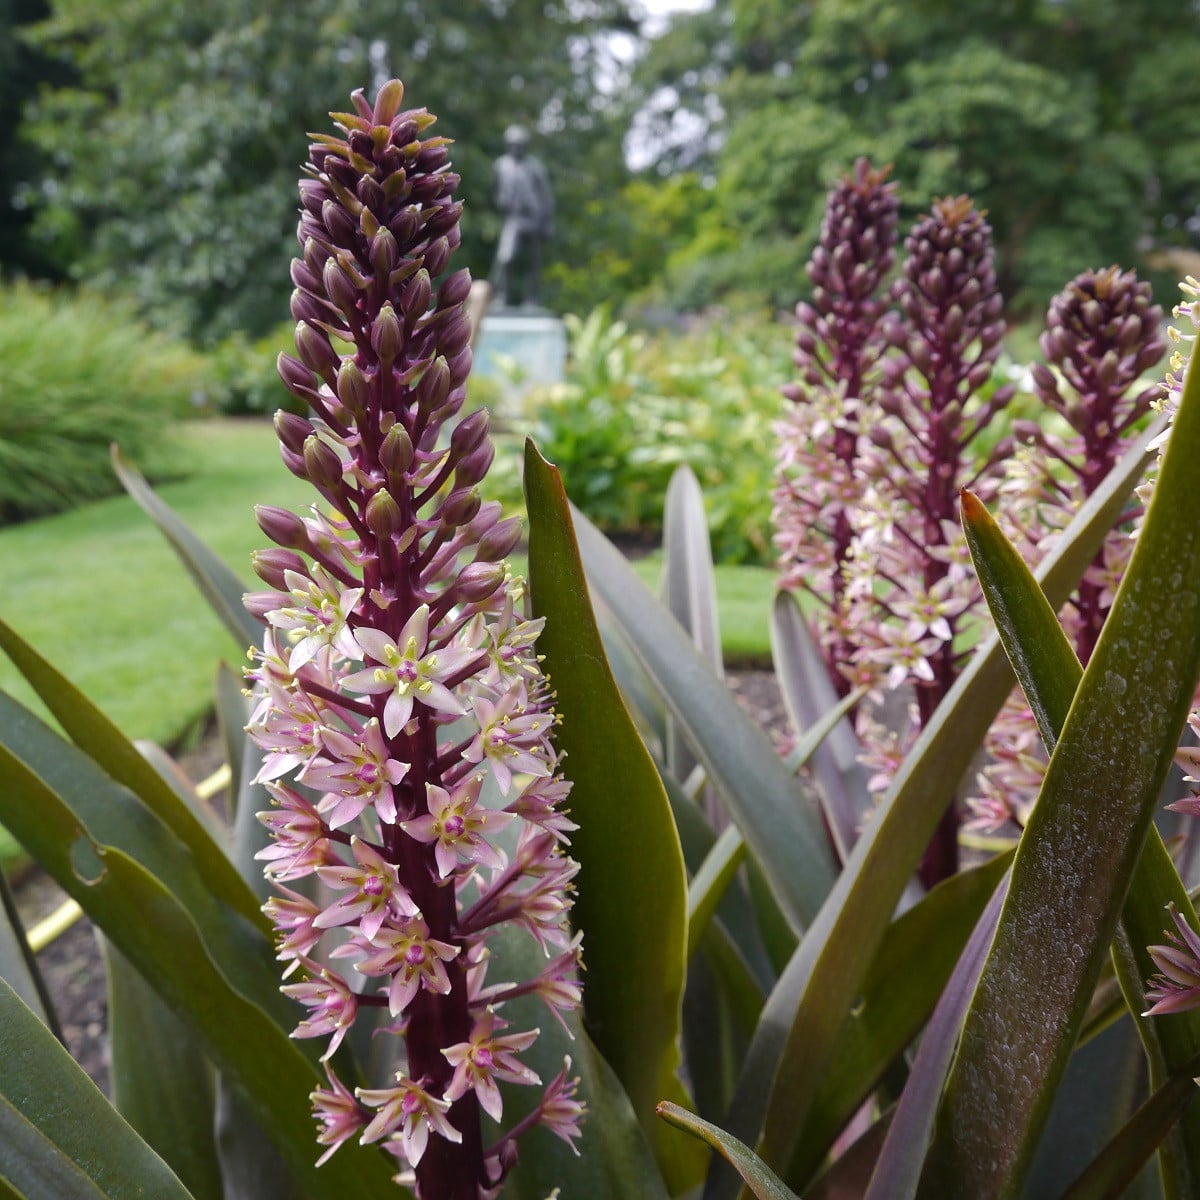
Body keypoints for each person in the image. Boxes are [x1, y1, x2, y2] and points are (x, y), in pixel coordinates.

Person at [491, 125, 554, 308]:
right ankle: (501, 297)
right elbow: (496, 189)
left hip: (534, 217)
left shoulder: (534, 166)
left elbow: (545, 195)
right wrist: (501, 201)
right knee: (506, 258)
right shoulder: (501, 164)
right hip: (513, 217)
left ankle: (532, 300)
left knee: (531, 261)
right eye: (513, 144)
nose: (516, 148)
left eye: (519, 144)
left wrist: (547, 222)